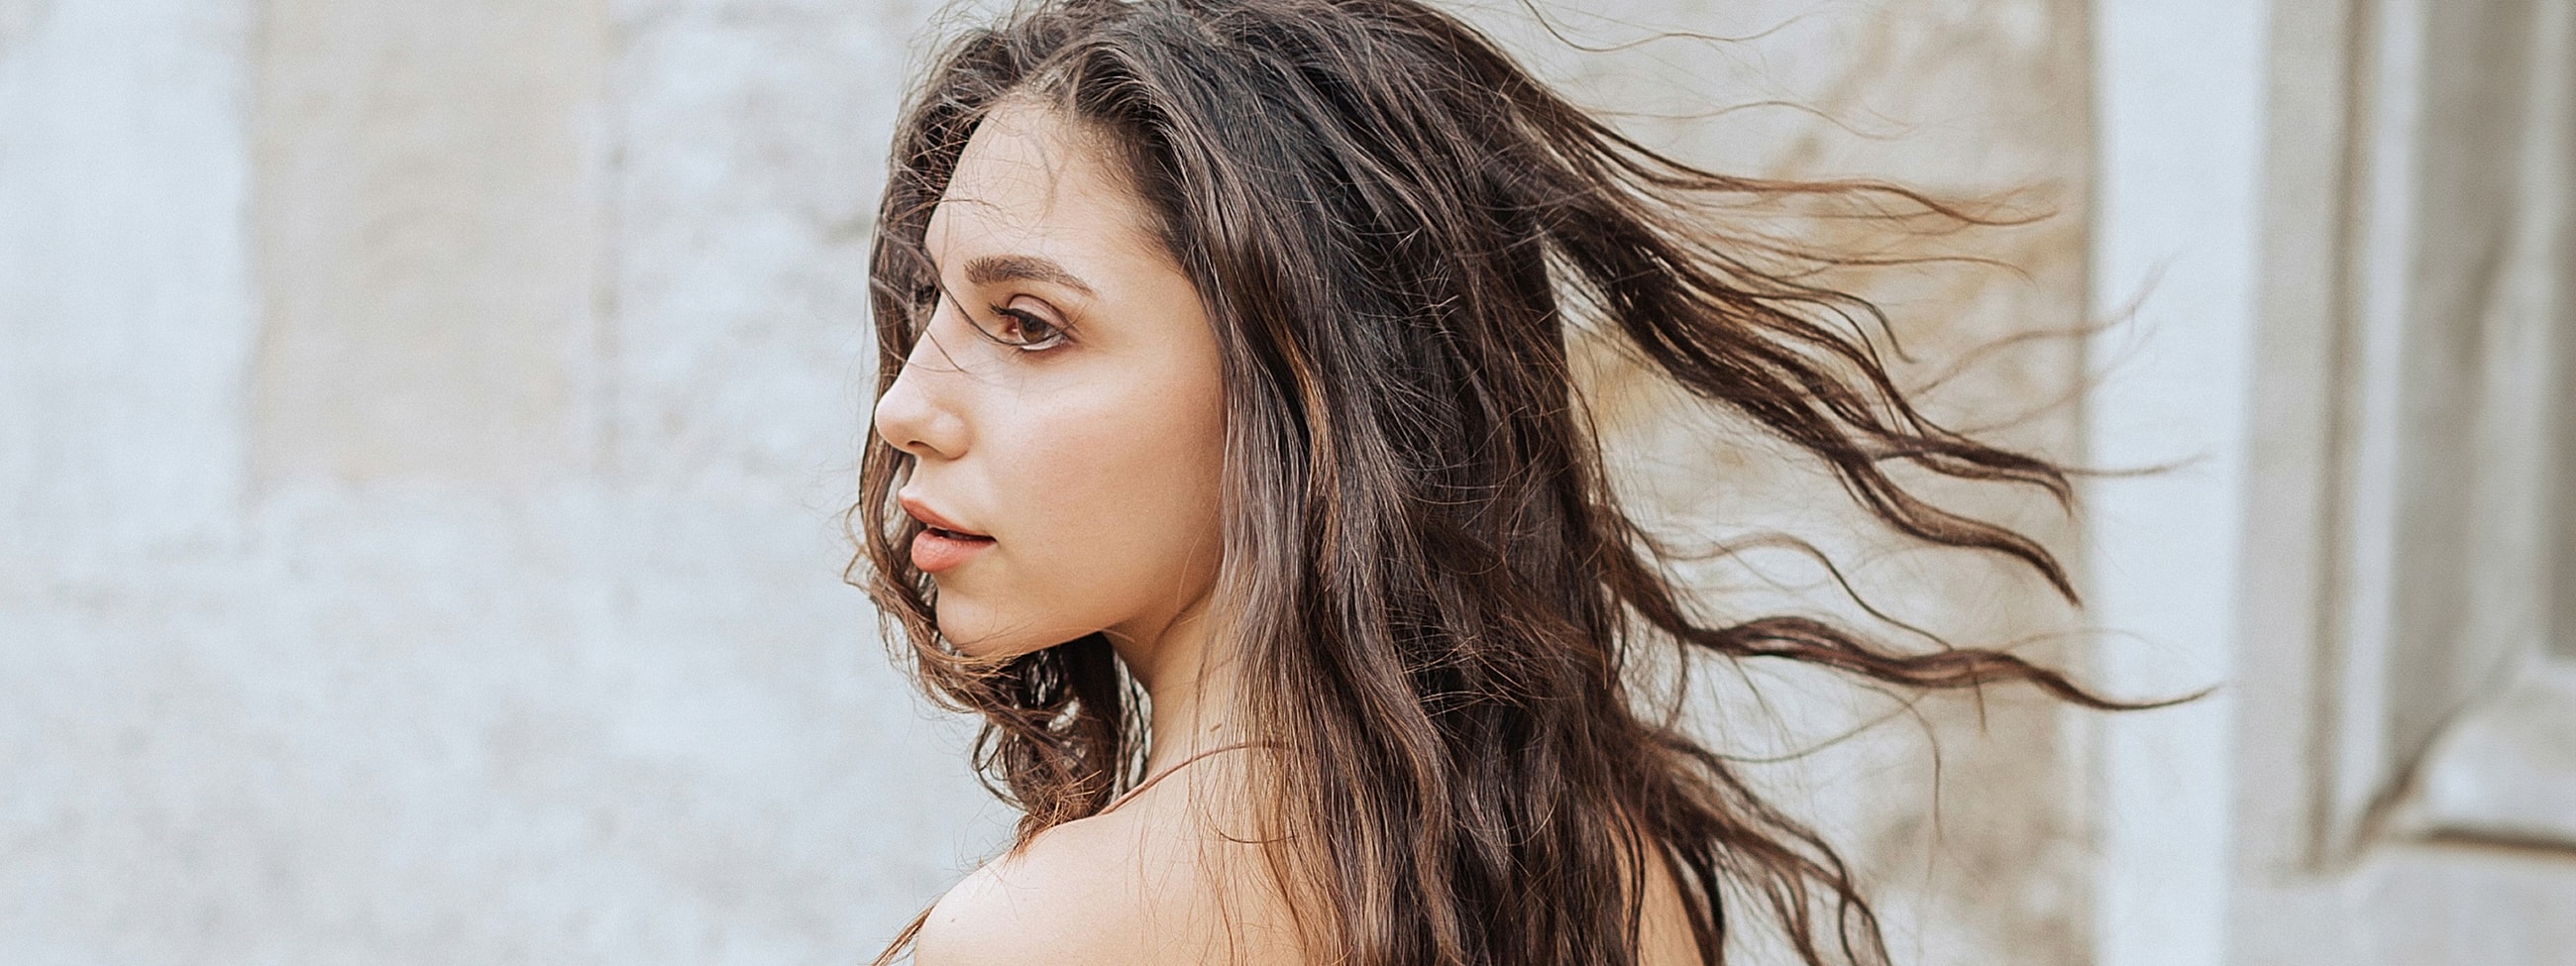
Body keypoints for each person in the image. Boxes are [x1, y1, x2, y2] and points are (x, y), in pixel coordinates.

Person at [852, 0, 2144, 962]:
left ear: (1306, 382)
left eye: (1030, 324)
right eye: (928, 311)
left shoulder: (1038, 938)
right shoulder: (1602, 865)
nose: (907, 404)